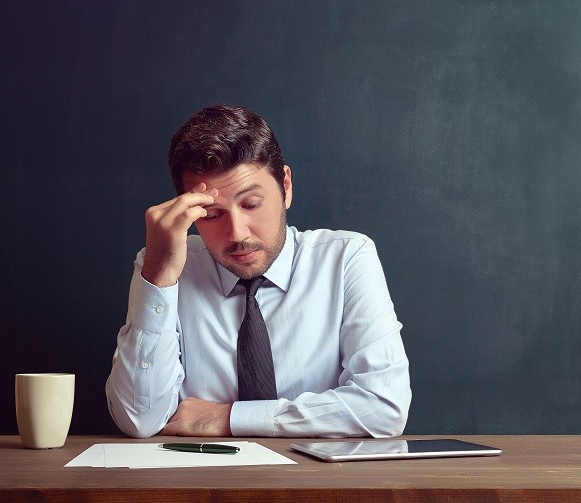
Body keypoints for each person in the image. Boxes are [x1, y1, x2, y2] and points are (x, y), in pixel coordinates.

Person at [106, 105, 411, 438]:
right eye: (211, 215)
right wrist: (159, 278)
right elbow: (140, 419)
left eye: (251, 204)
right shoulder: (165, 266)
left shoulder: (346, 258)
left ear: (286, 186)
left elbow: (384, 406)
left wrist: (228, 418)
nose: (237, 233)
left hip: (320, 484)